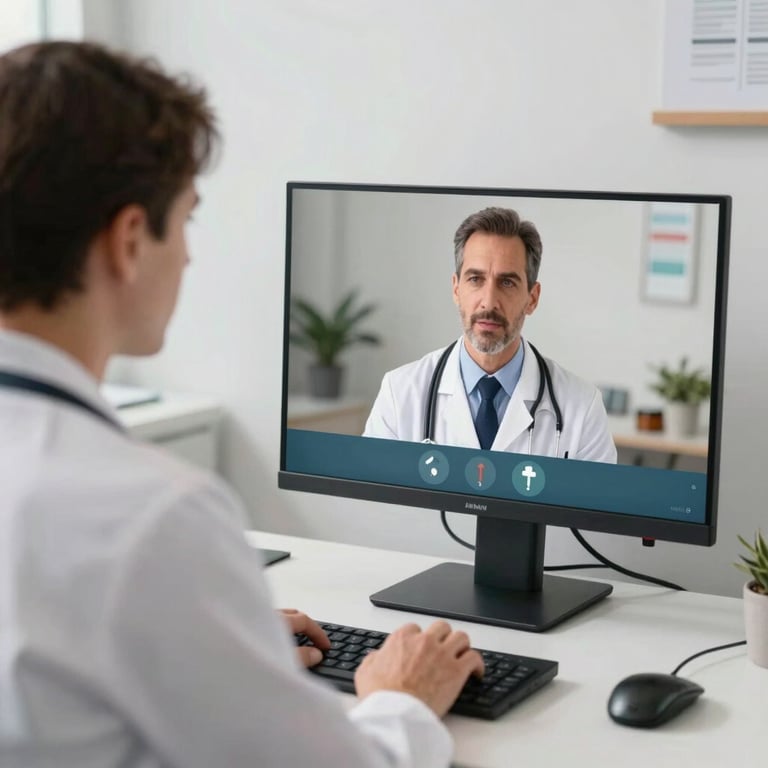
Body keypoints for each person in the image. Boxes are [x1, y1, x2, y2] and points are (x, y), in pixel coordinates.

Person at [0, 41, 483, 768]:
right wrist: (402, 697)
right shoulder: (150, 516)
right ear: (130, 240)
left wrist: (211, 639)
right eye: (187, 220)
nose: (190, 255)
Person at [363, 207, 617, 462]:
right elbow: (371, 499)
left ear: (532, 298)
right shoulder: (399, 394)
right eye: (475, 279)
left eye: (507, 282)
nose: (488, 301)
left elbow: (600, 501)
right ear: (456, 289)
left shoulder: (582, 408)